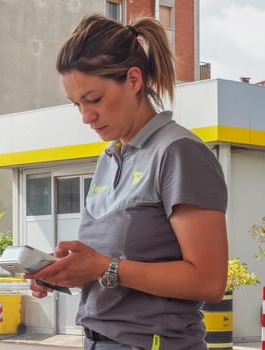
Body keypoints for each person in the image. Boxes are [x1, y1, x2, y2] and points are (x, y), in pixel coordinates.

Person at [24, 14, 228, 350]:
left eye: (94, 99)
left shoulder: (179, 153)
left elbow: (208, 281)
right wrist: (66, 270)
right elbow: (111, 270)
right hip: (96, 341)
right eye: (77, 104)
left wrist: (104, 266)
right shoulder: (109, 159)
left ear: (133, 79)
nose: (86, 117)